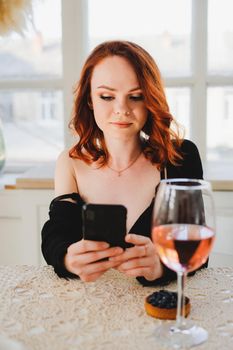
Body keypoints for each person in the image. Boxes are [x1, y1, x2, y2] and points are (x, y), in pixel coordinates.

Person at [41, 40, 206, 285]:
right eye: (107, 96)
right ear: (89, 100)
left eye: (136, 96)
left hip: (161, 309)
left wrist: (160, 267)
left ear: (150, 99)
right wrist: (66, 259)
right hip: (91, 308)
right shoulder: (70, 162)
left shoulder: (180, 156)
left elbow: (197, 250)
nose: (122, 109)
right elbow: (57, 234)